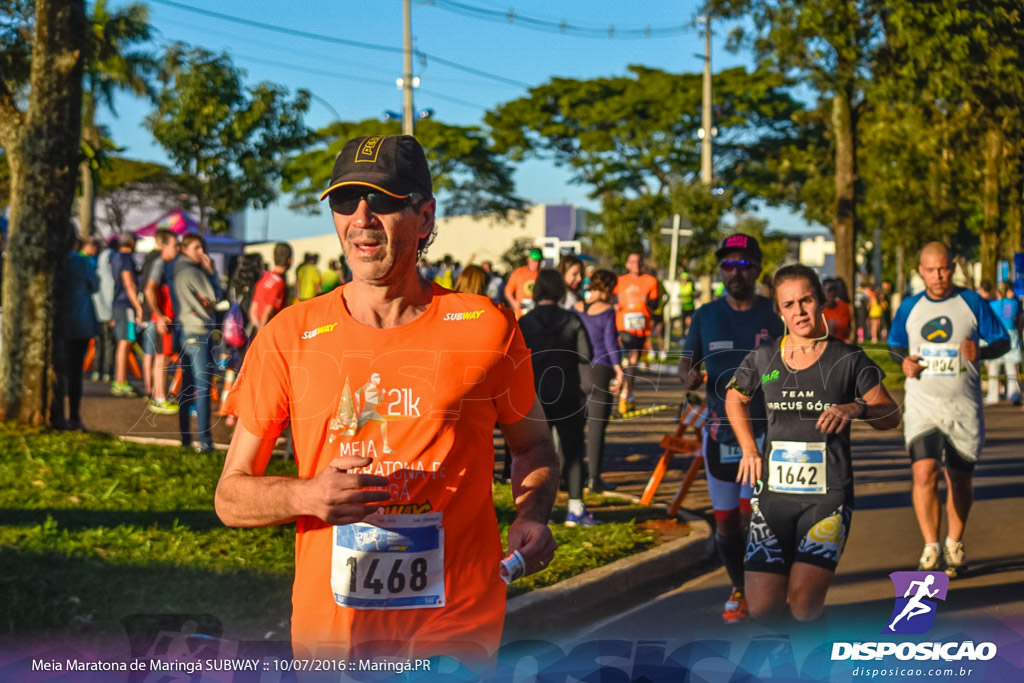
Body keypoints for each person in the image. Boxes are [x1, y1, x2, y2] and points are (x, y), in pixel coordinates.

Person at [215, 135, 558, 664]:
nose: (361, 216)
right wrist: (307, 497)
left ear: (424, 216)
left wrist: (532, 512)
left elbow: (534, 445)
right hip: (332, 632)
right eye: (344, 201)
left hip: (456, 621)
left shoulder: (486, 327)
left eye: (384, 199)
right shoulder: (291, 334)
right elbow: (230, 496)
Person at [727, 264, 900, 623]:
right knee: (761, 607)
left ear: (821, 301)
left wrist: (858, 407)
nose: (799, 311)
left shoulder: (849, 358)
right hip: (773, 495)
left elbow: (890, 415)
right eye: (789, 304)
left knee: (803, 604)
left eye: (806, 300)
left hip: (828, 497)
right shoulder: (764, 355)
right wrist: (748, 447)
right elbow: (735, 397)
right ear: (779, 311)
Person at [678, 234, 783, 623]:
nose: (734, 272)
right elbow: (686, 362)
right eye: (727, 265)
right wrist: (687, 376)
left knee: (751, 515)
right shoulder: (706, 315)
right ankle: (739, 586)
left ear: (756, 269)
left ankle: (761, 590)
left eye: (742, 264)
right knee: (726, 523)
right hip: (720, 431)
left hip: (765, 430)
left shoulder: (774, 314)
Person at [888, 242, 1009, 577]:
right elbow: (895, 345)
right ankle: (931, 546)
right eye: (931, 270)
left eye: (943, 268)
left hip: (963, 408)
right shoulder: (910, 306)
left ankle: (954, 541)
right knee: (923, 473)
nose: (938, 276)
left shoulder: (971, 302)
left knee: (959, 479)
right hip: (922, 406)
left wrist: (980, 352)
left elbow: (1003, 341)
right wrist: (906, 362)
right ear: (921, 271)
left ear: (952, 267)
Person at [519, 269, 595, 526]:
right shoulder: (571, 319)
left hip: (535, 395)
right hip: (568, 393)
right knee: (572, 451)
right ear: (560, 290)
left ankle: (542, 511)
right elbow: (586, 354)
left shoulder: (525, 322)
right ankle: (576, 508)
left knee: (538, 455)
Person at [172, 234, 220, 453]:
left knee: (187, 386)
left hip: (184, 330)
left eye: (203, 247)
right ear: (185, 249)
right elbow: (215, 298)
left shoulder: (174, 269)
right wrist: (211, 272)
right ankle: (204, 441)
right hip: (198, 331)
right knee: (202, 387)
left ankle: (185, 438)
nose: (202, 252)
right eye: (197, 248)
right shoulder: (192, 271)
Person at [576, 269, 623, 493]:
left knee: (574, 427)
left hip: (577, 370)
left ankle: (572, 474)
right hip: (599, 370)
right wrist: (619, 368)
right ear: (606, 288)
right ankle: (594, 479)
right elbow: (610, 342)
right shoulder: (607, 311)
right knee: (596, 427)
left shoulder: (574, 308)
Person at [53, 237, 100, 431]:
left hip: (57, 322)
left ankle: (55, 413)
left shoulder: (53, 261)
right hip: (79, 322)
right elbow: (95, 285)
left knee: (57, 371)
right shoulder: (82, 262)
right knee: (74, 373)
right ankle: (73, 416)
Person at [613, 251, 659, 415]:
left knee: (633, 363)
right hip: (623, 326)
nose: (636, 265)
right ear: (627, 264)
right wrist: (615, 306)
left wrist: (649, 304)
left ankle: (628, 393)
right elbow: (611, 299)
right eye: (632, 262)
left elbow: (656, 304)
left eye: (639, 262)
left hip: (641, 327)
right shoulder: (620, 281)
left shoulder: (650, 281)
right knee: (631, 360)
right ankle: (626, 393)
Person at [142, 229, 180, 415]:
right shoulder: (159, 264)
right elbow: (149, 290)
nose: (178, 248)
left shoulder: (167, 264)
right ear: (163, 246)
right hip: (162, 317)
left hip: (166, 316)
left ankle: (159, 397)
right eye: (175, 245)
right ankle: (159, 398)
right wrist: (159, 315)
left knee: (162, 357)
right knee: (161, 358)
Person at [110, 232, 143, 397]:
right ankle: (120, 381)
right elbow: (129, 283)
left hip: (118, 303)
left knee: (123, 342)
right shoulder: (126, 259)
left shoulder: (116, 257)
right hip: (125, 305)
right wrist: (138, 306)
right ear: (131, 242)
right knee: (126, 342)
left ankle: (120, 379)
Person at [985, 282, 1022, 405]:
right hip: (1010, 337)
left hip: (996, 336)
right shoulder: (1013, 304)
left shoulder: (991, 305)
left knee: (993, 369)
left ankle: (992, 396)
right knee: (1011, 369)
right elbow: (1008, 319)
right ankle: (1014, 394)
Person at [249, 242, 292, 333]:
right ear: (289, 261)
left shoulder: (263, 280)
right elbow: (268, 311)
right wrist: (262, 332)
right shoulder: (280, 284)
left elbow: (253, 311)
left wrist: (258, 327)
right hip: (272, 331)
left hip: (260, 329)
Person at [90, 236, 117, 383]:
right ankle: (108, 371)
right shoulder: (110, 277)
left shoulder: (95, 272)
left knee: (98, 343)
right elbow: (110, 297)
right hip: (108, 315)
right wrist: (112, 315)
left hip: (97, 315)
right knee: (109, 344)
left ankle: (97, 370)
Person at [504, 247, 542, 318]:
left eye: (538, 261)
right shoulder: (519, 272)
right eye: (534, 261)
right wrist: (514, 303)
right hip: (521, 313)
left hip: (537, 312)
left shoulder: (542, 274)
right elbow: (508, 291)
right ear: (528, 260)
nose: (536, 264)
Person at [822, 277, 853, 342]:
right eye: (829, 290)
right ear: (822, 292)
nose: (833, 293)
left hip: (842, 347)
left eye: (834, 289)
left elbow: (848, 330)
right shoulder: (818, 311)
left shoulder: (844, 307)